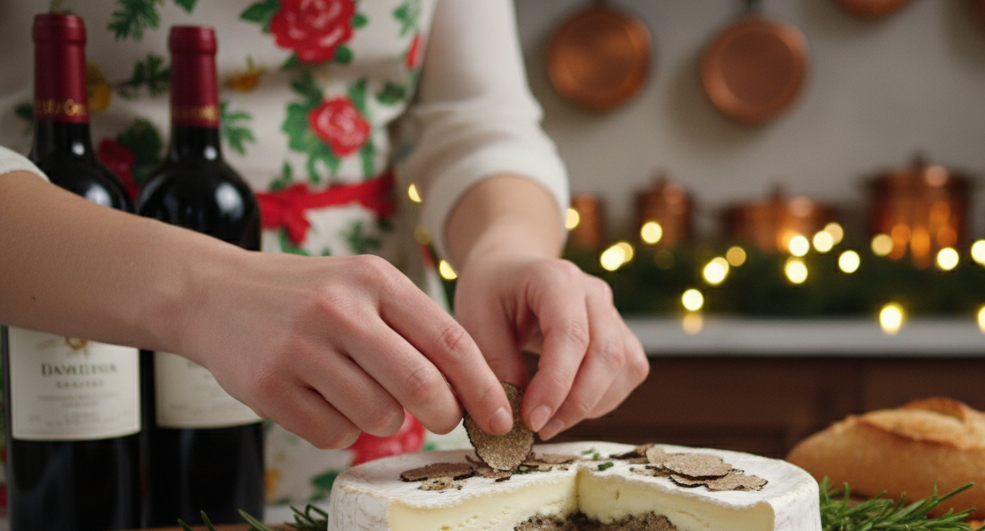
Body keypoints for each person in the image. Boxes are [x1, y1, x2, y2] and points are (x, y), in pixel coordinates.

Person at [0, 1, 648, 502]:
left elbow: (478, 122)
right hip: (77, 326)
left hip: (379, 367)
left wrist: (507, 247)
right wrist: (200, 292)